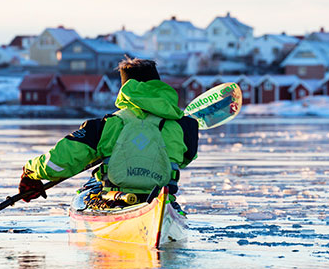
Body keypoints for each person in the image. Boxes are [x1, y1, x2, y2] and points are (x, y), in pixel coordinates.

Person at [18, 57, 199, 205]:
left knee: (89, 189)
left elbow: (56, 163)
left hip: (115, 202)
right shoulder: (184, 126)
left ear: (124, 89)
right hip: (162, 203)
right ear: (159, 85)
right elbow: (186, 157)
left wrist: (30, 171)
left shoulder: (106, 125)